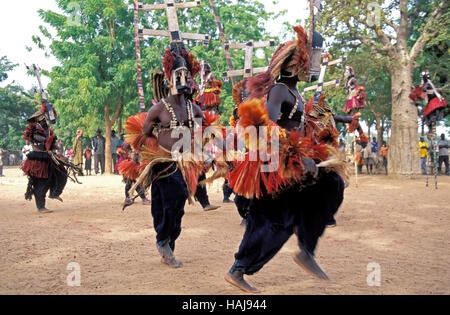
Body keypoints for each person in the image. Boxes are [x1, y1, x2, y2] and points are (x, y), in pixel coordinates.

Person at [225, 25, 346, 293]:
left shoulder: (296, 95)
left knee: (331, 186)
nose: (313, 66)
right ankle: (239, 270)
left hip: (292, 160)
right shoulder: (280, 90)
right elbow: (266, 123)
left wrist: (314, 148)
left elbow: (299, 126)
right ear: (295, 63)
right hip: (275, 162)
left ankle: (306, 249)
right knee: (272, 223)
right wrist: (295, 153)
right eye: (311, 59)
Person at [127, 42, 205, 268]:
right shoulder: (158, 109)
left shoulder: (195, 109)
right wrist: (150, 156)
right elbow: (144, 135)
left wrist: (201, 153)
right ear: (168, 79)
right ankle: (163, 240)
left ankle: (167, 240)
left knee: (176, 208)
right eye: (178, 75)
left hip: (185, 163)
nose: (184, 79)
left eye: (186, 75)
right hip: (163, 163)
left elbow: (201, 134)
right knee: (170, 200)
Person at [21, 101, 69, 213]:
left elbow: (50, 143)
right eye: (44, 116)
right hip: (39, 158)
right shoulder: (34, 128)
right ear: (39, 117)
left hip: (48, 156)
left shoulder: (46, 128)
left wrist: (56, 149)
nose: (46, 118)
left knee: (61, 173)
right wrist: (49, 140)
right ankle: (40, 206)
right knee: (42, 182)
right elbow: (38, 139)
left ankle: (54, 193)